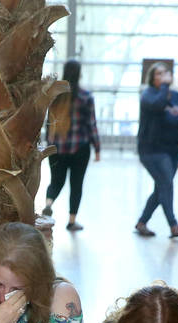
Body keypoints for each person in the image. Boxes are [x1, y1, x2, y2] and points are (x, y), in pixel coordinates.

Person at [135, 62, 178, 238]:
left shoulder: (177, 96)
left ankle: (142, 223)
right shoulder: (148, 95)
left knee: (162, 188)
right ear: (152, 78)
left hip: (172, 150)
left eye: (165, 73)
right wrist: (165, 86)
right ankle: (174, 226)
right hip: (152, 150)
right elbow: (158, 105)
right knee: (166, 184)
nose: (163, 77)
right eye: (158, 74)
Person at [43, 59, 101, 231]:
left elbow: (49, 123)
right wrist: (97, 148)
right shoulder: (86, 97)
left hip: (57, 148)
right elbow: (91, 125)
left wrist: (49, 144)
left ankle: (48, 204)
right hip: (80, 149)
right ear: (80, 73)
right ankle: (72, 221)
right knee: (76, 185)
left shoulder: (55, 96)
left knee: (56, 181)